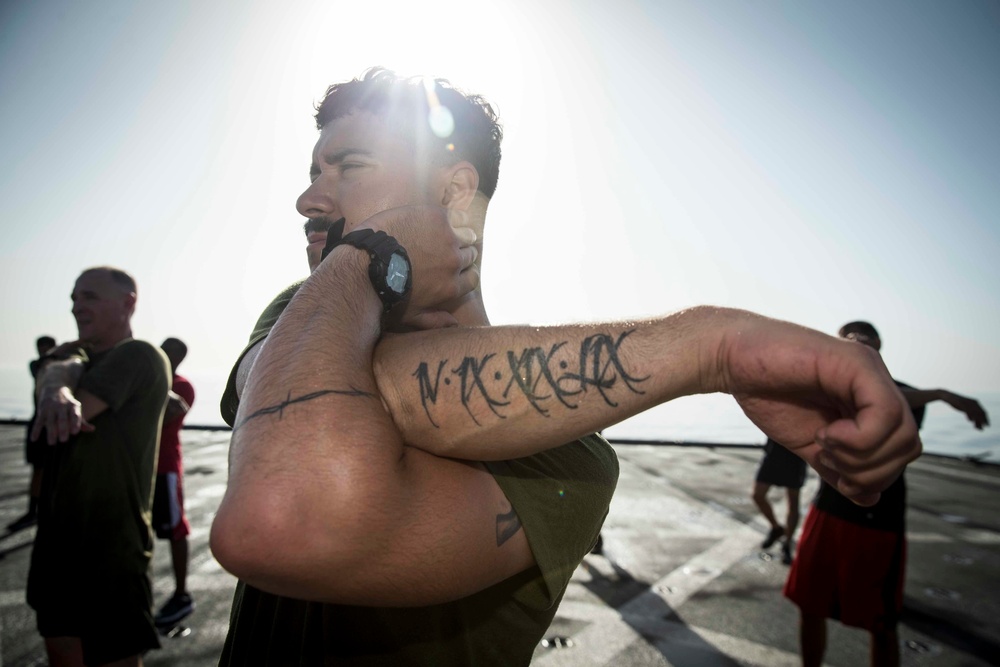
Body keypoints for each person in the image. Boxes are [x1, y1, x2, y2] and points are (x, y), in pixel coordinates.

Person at [202, 68, 921, 664]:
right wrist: (707, 347)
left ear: (455, 193)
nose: (308, 198)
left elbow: (280, 514)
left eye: (347, 166)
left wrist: (371, 259)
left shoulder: (569, 462)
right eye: (311, 172)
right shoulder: (307, 308)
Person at [784, 320, 990, 667]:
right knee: (810, 606)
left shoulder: (905, 396)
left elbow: (886, 403)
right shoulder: (832, 390)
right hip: (829, 511)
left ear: (879, 344)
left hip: (878, 520)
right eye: (847, 339)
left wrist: (938, 393)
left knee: (880, 623)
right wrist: (942, 393)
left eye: (865, 338)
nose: (857, 342)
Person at [26, 267, 170, 667]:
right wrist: (57, 379)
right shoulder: (75, 361)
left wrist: (57, 376)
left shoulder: (138, 355)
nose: (76, 306)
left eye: (89, 296)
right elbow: (54, 377)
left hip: (111, 548)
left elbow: (77, 410)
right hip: (56, 544)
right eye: (74, 298)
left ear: (128, 303)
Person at [151, 337, 197, 627]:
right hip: (139, 468)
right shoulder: (148, 380)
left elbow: (161, 415)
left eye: (169, 353)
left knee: (175, 530)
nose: (163, 356)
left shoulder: (181, 387)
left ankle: (182, 595)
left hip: (165, 468)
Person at [7, 335, 57, 532]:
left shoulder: (60, 365)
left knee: (53, 470)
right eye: (41, 348)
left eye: (47, 348)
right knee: (38, 469)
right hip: (39, 424)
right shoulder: (38, 365)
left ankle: (45, 508)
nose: (43, 352)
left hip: (50, 425)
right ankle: (33, 510)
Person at [752, 437, 808, 564]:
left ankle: (787, 544)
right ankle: (776, 528)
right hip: (774, 452)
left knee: (793, 502)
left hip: (795, 455)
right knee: (757, 495)